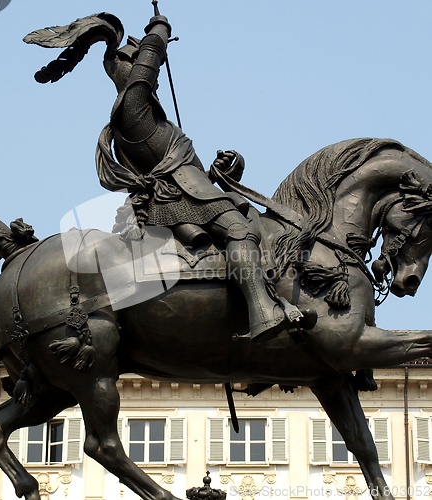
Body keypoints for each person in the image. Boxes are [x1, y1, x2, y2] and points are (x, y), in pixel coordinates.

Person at [94, 13, 312, 342]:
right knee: (239, 230)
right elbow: (146, 69)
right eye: (143, 69)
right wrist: (160, 31)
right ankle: (262, 312)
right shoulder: (132, 110)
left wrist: (224, 170)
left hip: (195, 194)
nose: (152, 79)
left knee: (254, 226)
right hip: (177, 200)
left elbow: (195, 173)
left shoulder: (157, 123)